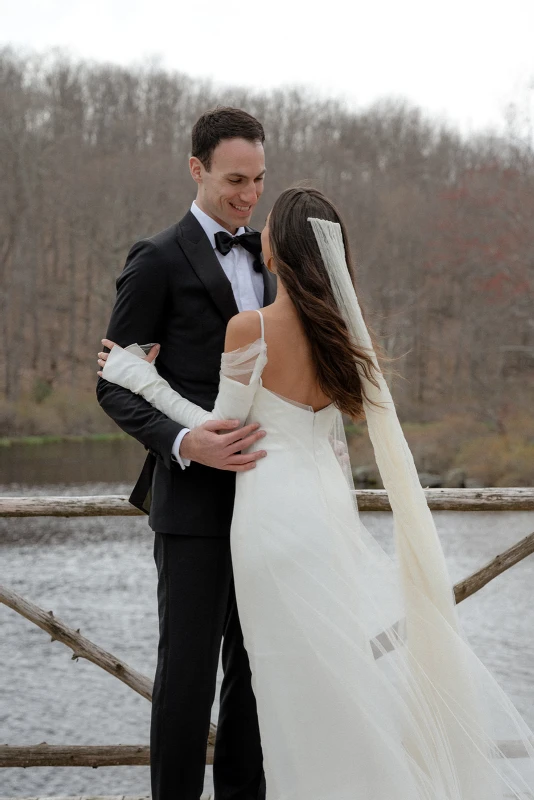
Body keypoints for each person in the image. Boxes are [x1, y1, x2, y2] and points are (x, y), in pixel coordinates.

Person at [99, 186, 534, 800]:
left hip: (269, 517)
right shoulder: (342, 336)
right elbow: (330, 438)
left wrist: (139, 374)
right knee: (325, 675)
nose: (259, 224)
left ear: (282, 248)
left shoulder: (251, 326)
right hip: (326, 516)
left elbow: (222, 428)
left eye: (269, 224)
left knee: (278, 682)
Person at [96, 107, 276, 800]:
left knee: (256, 673)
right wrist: (183, 440)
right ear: (196, 168)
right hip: (191, 502)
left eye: (258, 179)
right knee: (188, 679)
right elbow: (114, 383)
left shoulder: (273, 257)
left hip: (267, 498)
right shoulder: (158, 258)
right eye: (235, 179)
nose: (248, 194)